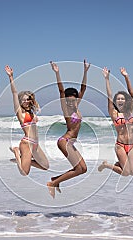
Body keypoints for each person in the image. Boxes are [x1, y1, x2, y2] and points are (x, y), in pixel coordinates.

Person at [47, 60, 90, 198]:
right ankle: (52, 183)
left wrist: (85, 71)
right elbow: (61, 90)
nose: (71, 102)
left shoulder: (76, 107)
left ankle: (55, 180)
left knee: (83, 169)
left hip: (70, 143)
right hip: (64, 141)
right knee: (79, 168)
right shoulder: (66, 109)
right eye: (69, 100)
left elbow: (83, 89)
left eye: (73, 100)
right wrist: (57, 73)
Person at [5, 65, 49, 175]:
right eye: (23, 100)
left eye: (28, 99)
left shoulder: (31, 112)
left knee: (45, 166)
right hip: (27, 143)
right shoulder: (21, 113)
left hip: (35, 144)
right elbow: (14, 93)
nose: (26, 101)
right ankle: (16, 151)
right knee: (24, 173)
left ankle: (23, 160)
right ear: (20, 102)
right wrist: (11, 77)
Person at [98, 67, 133, 176]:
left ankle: (119, 163)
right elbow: (109, 96)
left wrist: (126, 76)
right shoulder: (114, 113)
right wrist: (107, 79)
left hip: (131, 145)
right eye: (118, 99)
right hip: (120, 145)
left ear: (126, 101)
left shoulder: (129, 111)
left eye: (122, 98)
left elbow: (131, 93)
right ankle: (106, 165)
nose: (120, 100)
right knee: (125, 173)